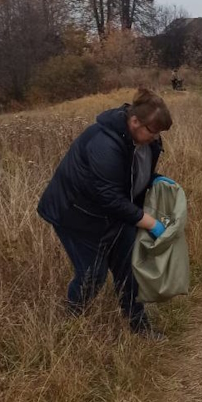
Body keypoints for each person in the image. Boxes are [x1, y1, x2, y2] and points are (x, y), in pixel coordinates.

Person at [37, 88, 174, 339]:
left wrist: (155, 180)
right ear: (135, 121)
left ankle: (139, 326)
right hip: (75, 214)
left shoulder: (146, 142)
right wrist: (150, 223)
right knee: (93, 274)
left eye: (158, 134)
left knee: (129, 268)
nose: (155, 138)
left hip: (114, 213)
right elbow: (109, 197)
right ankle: (69, 325)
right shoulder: (103, 143)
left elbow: (129, 177)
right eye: (152, 132)